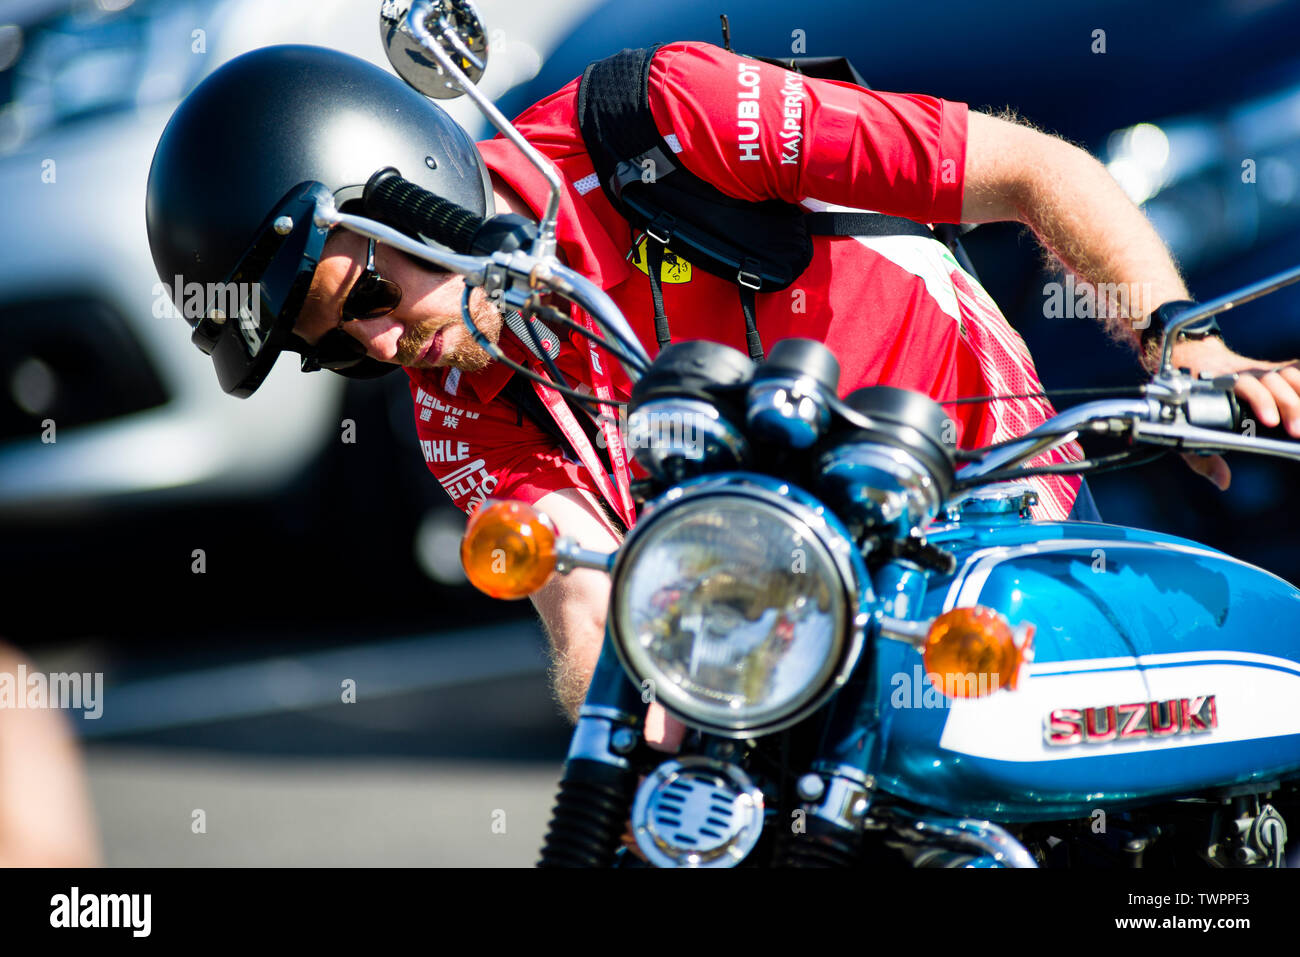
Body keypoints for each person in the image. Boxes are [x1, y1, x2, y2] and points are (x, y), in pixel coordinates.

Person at [146, 42, 1300, 744]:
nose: (384, 346)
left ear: (407, 181)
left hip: (992, 499)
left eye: (363, 295)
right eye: (336, 348)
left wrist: (1176, 346)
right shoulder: (462, 400)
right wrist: (639, 720)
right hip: (778, 597)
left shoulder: (660, 119)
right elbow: (584, 604)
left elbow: (1033, 173)